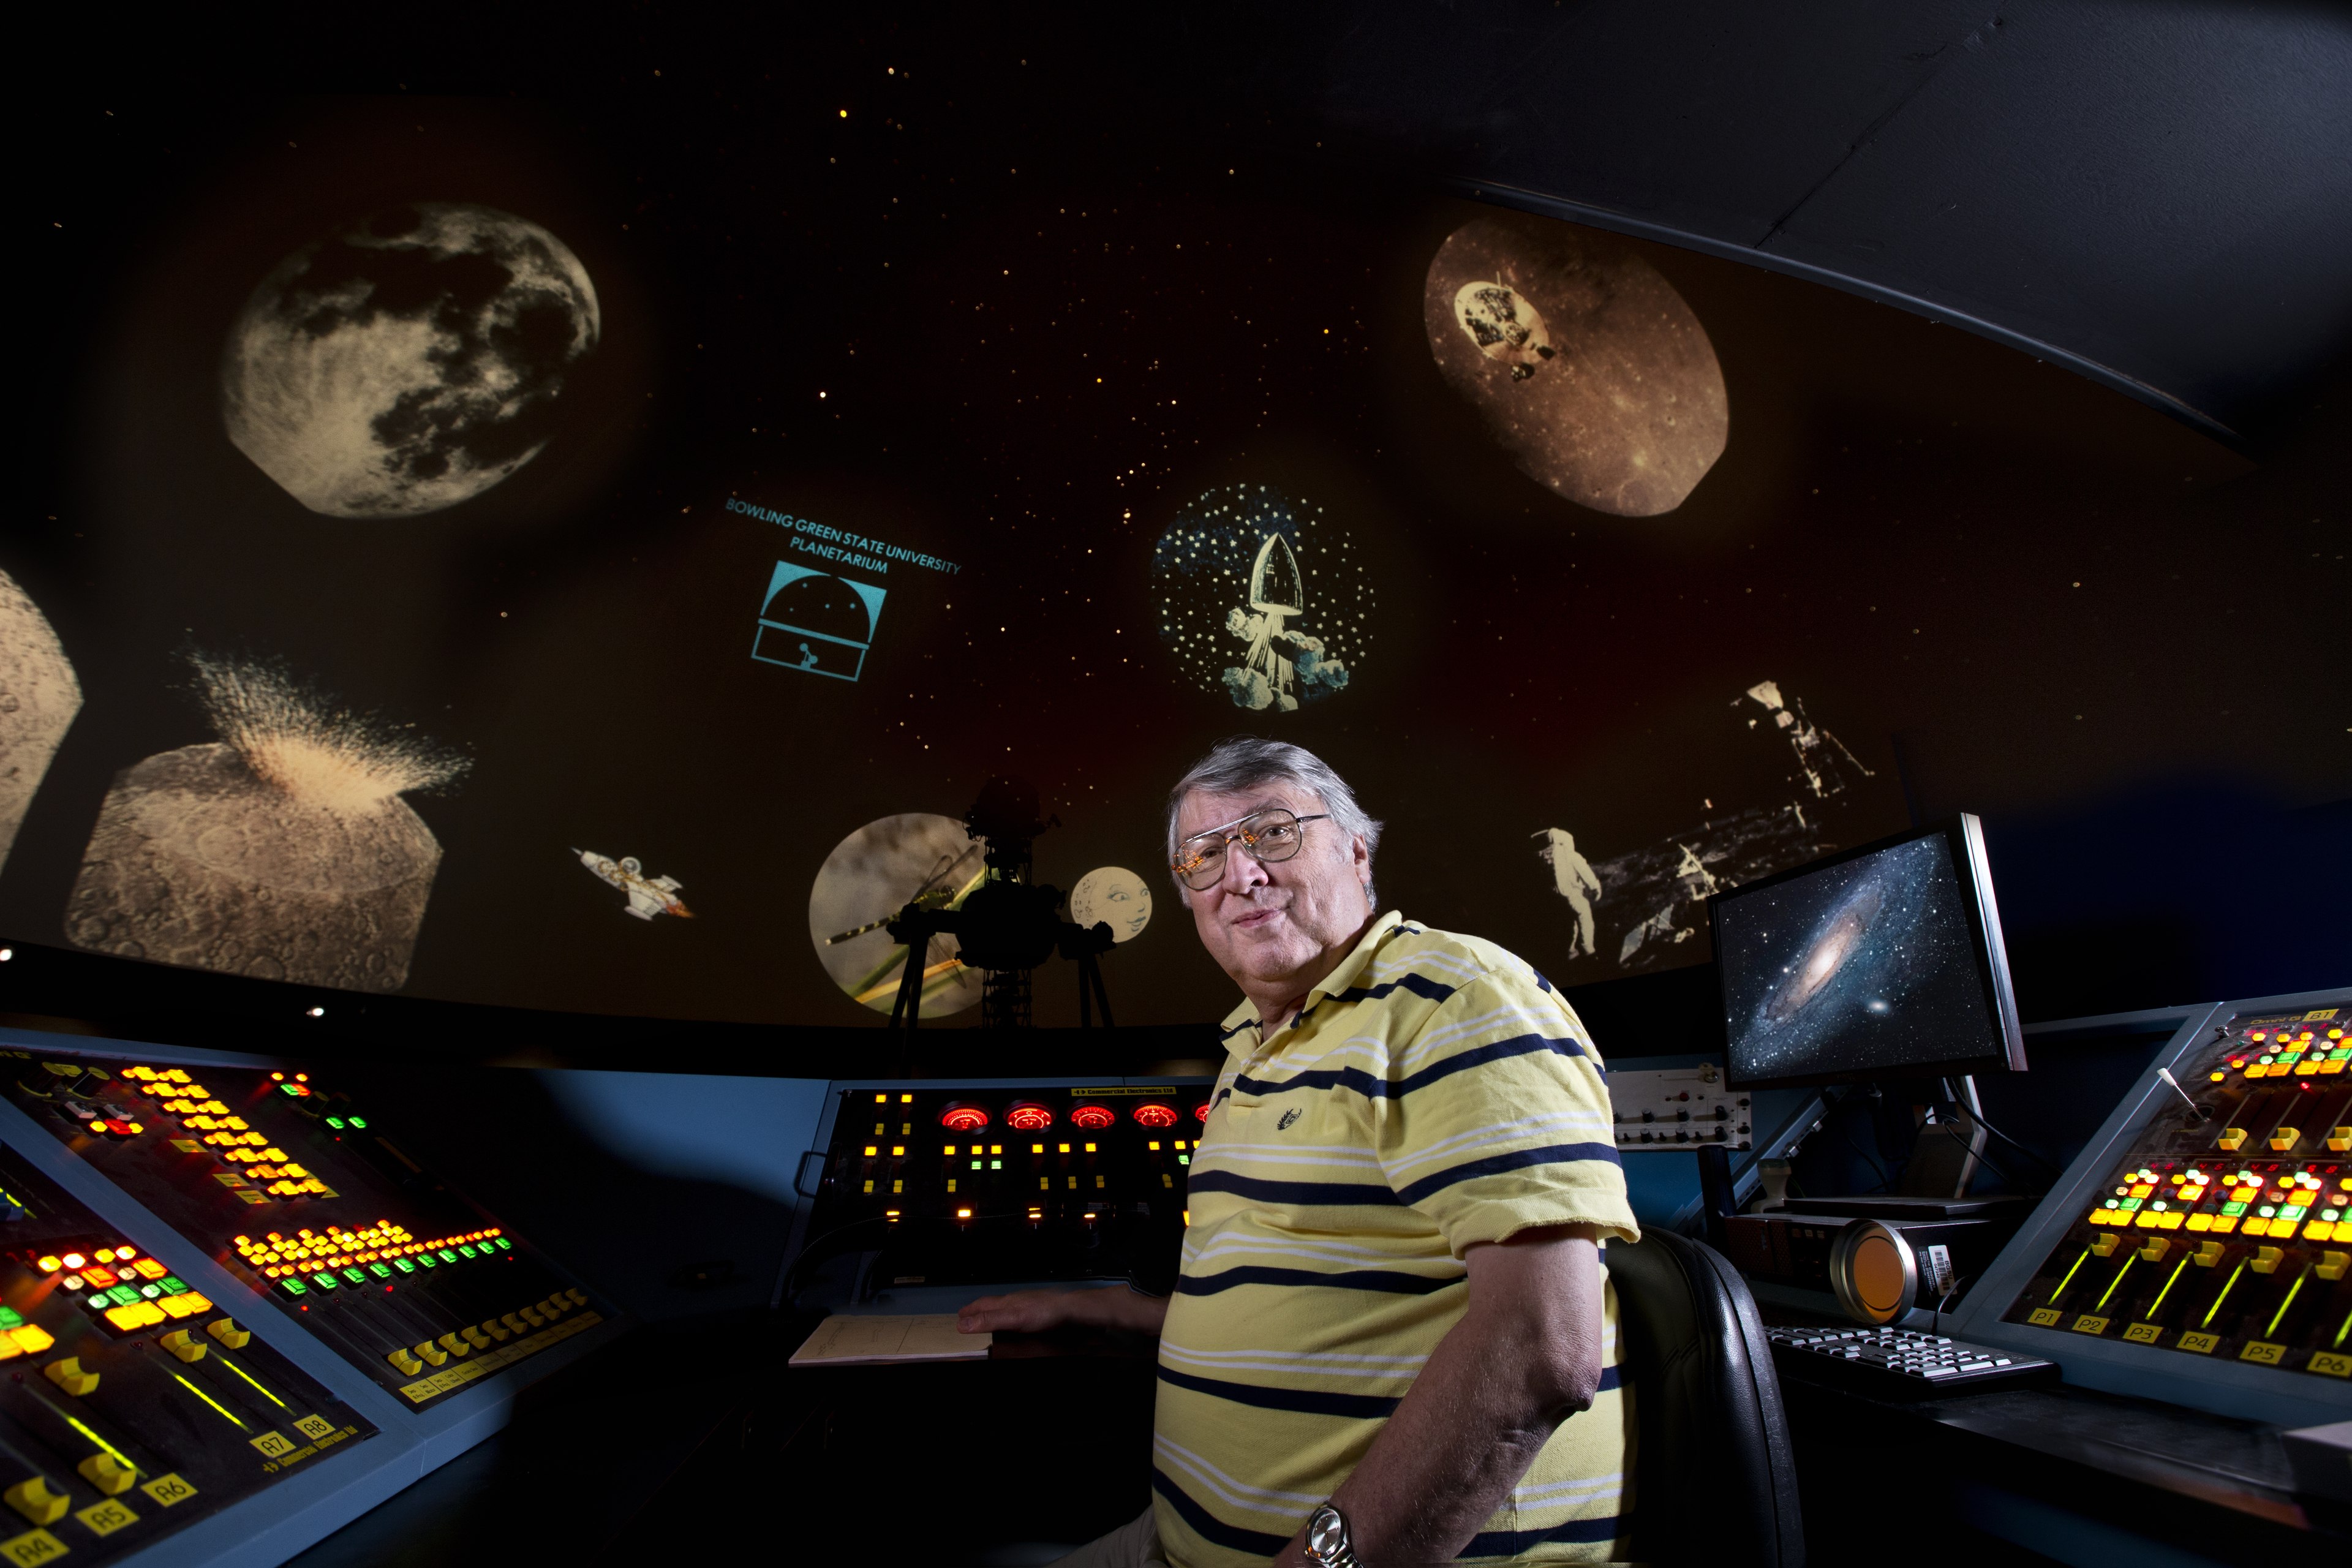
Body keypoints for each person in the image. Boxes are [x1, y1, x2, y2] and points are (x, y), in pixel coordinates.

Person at [960, 737, 1638, 1566]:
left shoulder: (1457, 997)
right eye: (1203, 856)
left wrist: (1324, 1561)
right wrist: (1107, 1311)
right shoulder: (1253, 1047)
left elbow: (1539, 1345)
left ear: (1357, 849)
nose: (1239, 876)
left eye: (1273, 834)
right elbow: (1292, 1300)